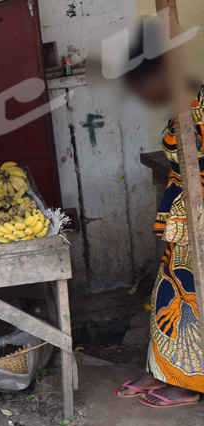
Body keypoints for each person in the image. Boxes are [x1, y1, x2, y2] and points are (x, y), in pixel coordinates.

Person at [112, 47, 204, 407]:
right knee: (169, 290)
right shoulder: (184, 101)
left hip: (197, 219)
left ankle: (189, 382)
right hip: (184, 219)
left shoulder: (197, 104)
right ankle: (161, 369)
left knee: (191, 299)